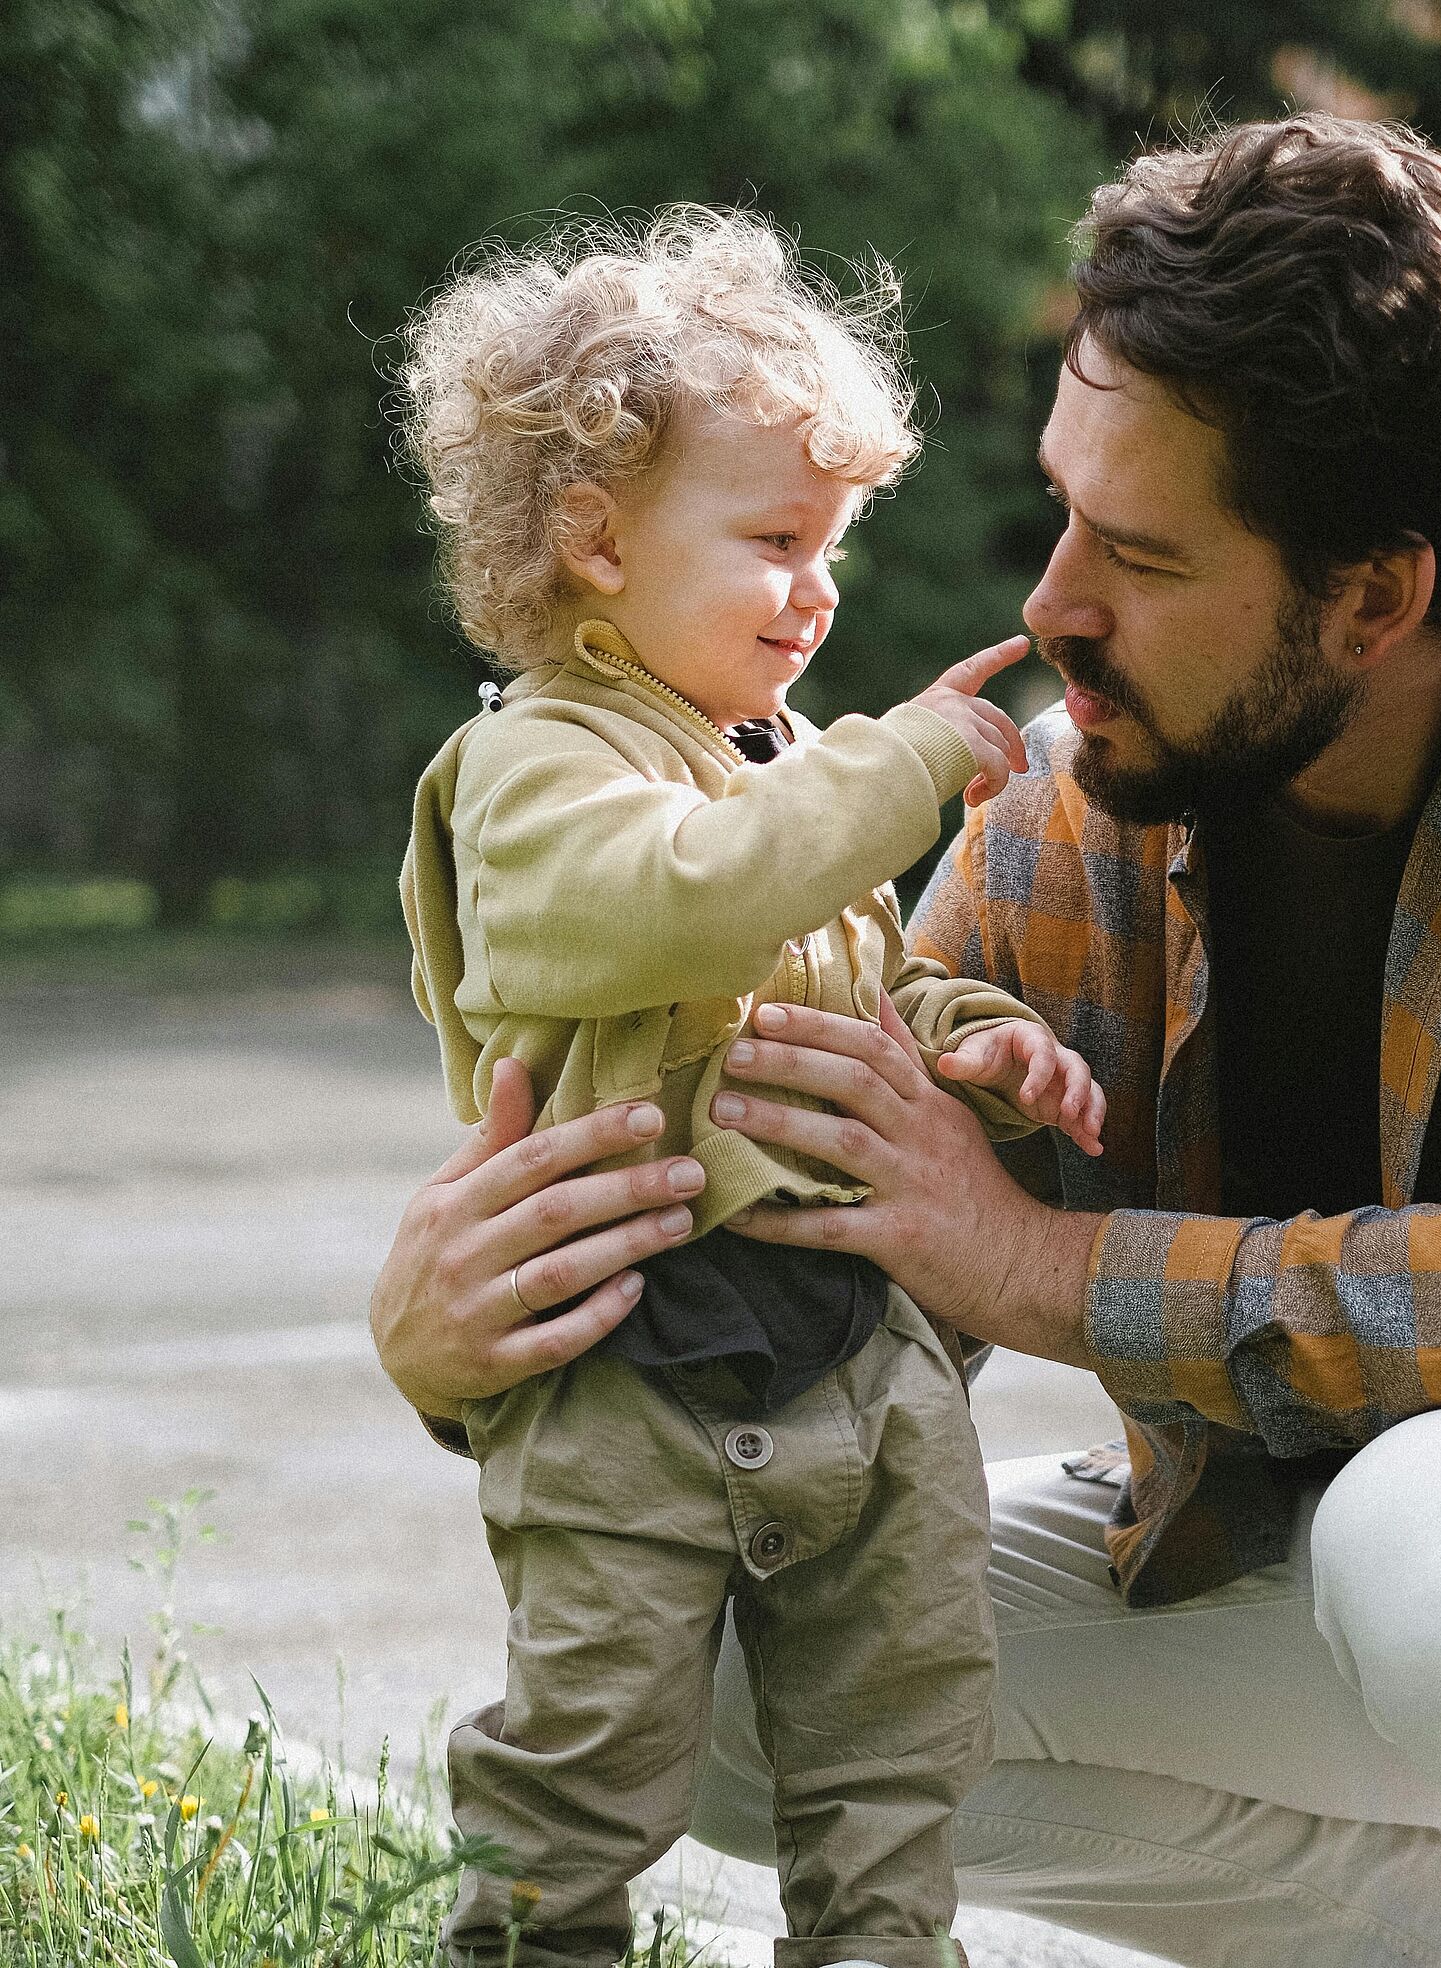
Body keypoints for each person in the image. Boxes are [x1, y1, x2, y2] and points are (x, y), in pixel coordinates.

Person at [372, 120, 1441, 1968]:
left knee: (1439, 1545)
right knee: (720, 1658)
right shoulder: (1082, 797)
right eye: (1061, 509)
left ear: (1372, 593)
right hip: (1329, 1567)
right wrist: (464, 1342)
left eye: (1141, 552)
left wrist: (1040, 1262)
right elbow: (846, 1265)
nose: (1049, 608)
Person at [392, 207, 1106, 1968]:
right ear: (596, 541)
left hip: (854, 1367)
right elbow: (673, 906)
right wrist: (911, 759)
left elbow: (842, 958)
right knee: (588, 1768)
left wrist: (968, 1040)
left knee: (897, 1763)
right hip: (627, 1367)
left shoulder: (768, 764)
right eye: (780, 538)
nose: (822, 588)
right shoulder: (534, 764)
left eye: (837, 546)